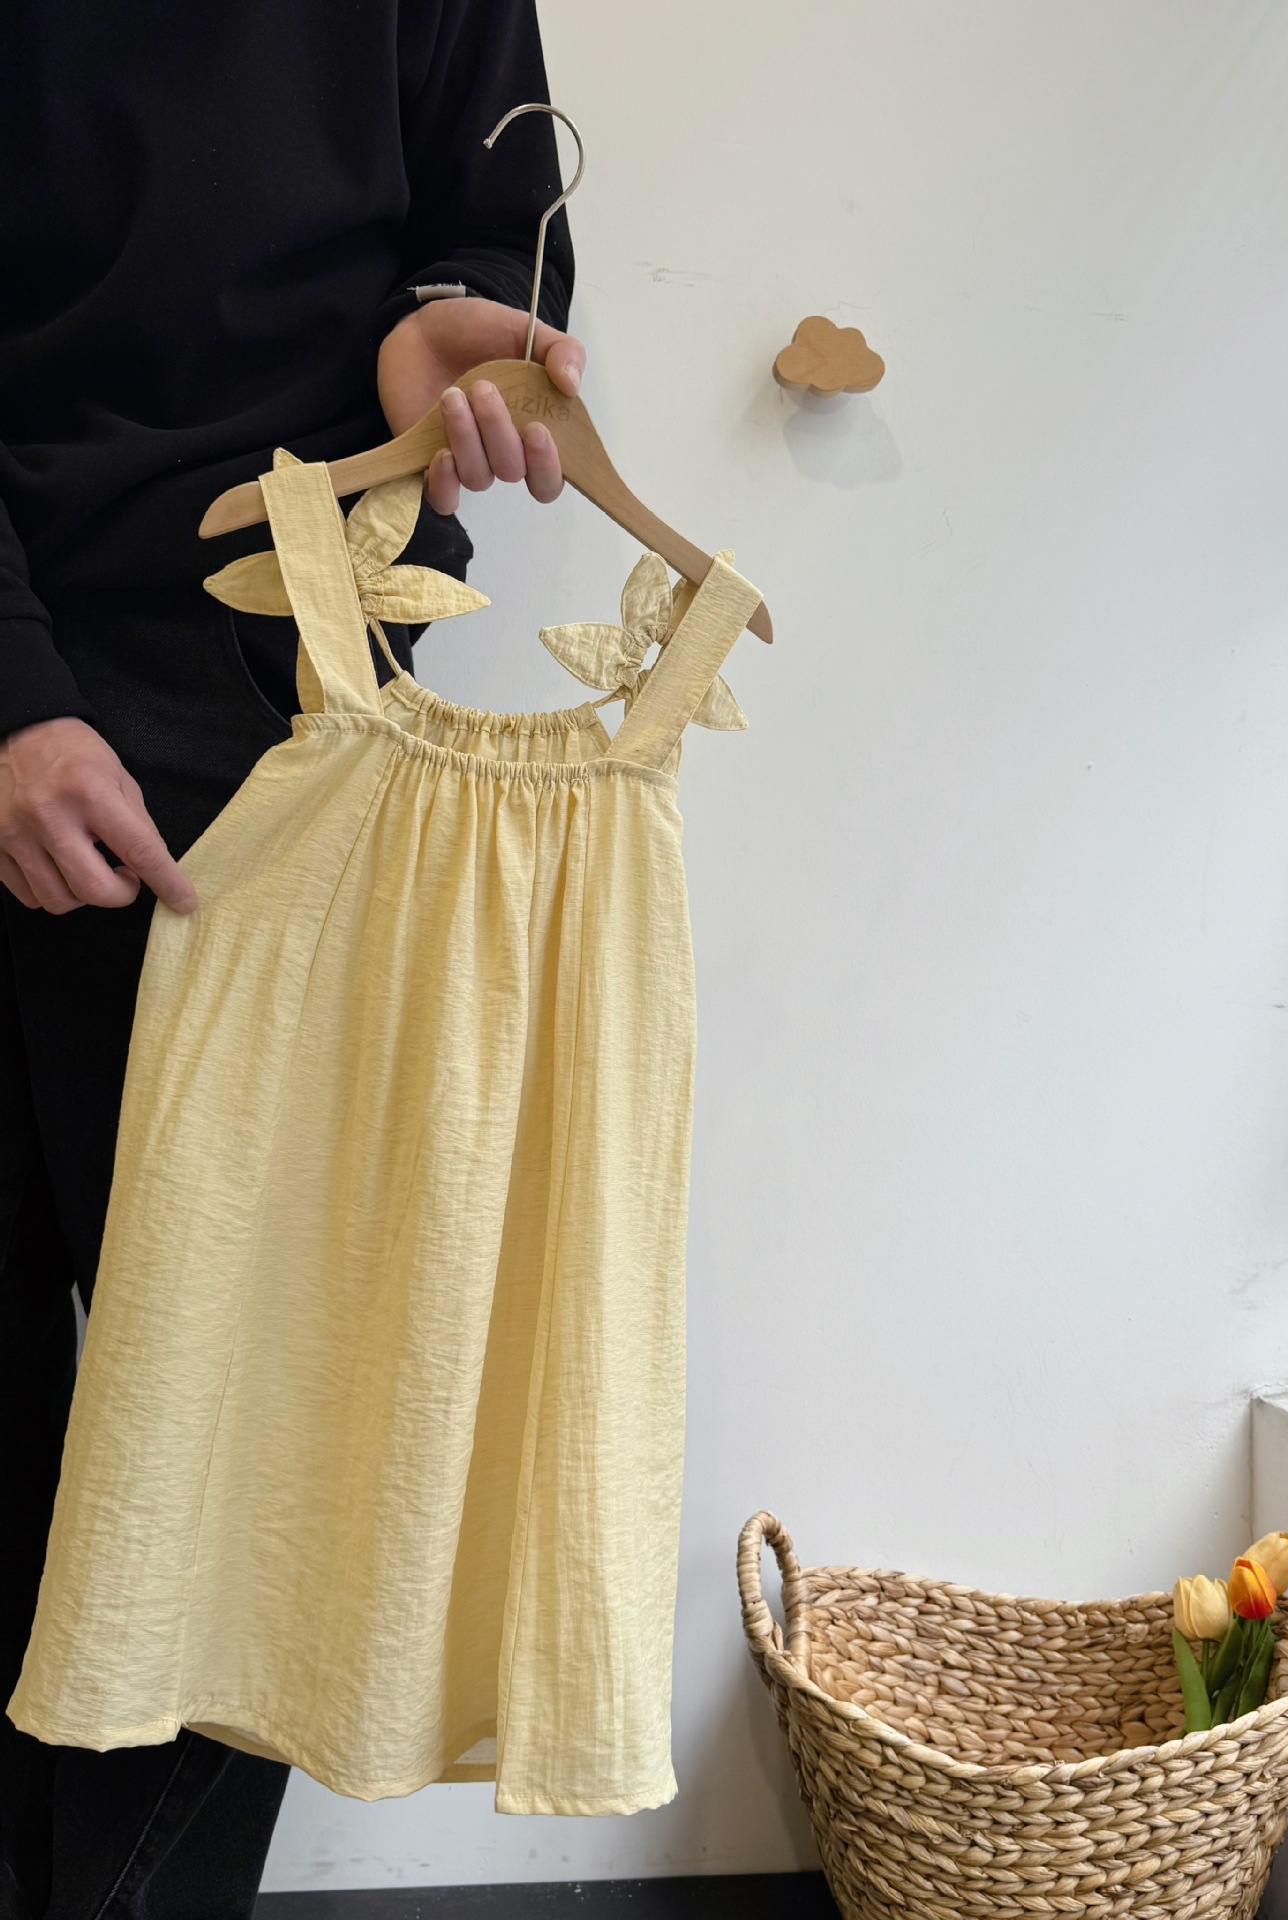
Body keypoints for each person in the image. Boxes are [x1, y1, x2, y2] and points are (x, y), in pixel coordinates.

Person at [0, 6, 584, 1915]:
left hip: (295, 678)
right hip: (44, 618)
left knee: (248, 1447)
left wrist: (455, 333)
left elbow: (491, 220)